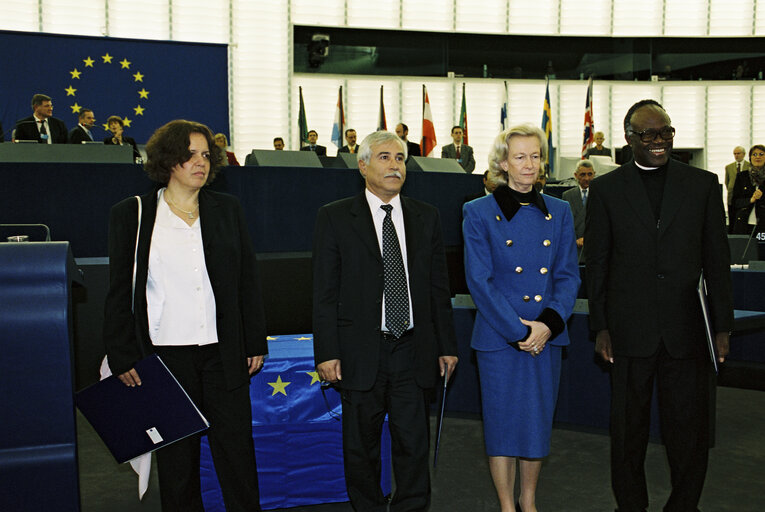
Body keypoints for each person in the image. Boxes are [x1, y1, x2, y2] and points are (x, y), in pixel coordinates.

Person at [103, 120, 266, 512]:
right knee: (177, 464)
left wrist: (254, 342)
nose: (201, 162)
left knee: (237, 455)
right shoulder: (134, 214)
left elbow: (247, 280)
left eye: (207, 154)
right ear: (168, 159)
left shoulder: (227, 209)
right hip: (166, 358)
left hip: (222, 353)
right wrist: (122, 353)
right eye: (191, 154)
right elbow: (119, 291)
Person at [585, 99, 733, 512]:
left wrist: (721, 328)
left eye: (665, 131)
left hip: (687, 332)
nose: (659, 141)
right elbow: (597, 263)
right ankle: (630, 505)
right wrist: (600, 326)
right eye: (648, 133)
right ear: (630, 139)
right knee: (627, 431)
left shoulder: (702, 185)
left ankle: (685, 505)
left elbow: (717, 261)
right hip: (628, 333)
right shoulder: (606, 189)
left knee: (689, 431)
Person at [312, 130, 458, 512]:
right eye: (384, 157)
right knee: (360, 448)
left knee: (413, 443)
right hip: (360, 351)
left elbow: (438, 290)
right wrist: (326, 352)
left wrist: (446, 346)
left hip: (413, 349)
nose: (395, 165)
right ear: (362, 165)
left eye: (400, 158)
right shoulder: (334, 216)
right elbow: (324, 293)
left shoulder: (426, 216)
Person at [462, 124, 580, 512]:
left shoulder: (560, 211)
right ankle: (506, 506)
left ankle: (528, 502)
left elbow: (567, 276)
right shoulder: (478, 211)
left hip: (545, 335)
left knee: (536, 424)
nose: (529, 165)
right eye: (519, 157)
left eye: (534, 156)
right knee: (501, 425)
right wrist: (518, 331)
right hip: (500, 337)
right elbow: (479, 281)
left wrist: (546, 325)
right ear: (502, 163)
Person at [561, 159, 595, 261]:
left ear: (594, 174)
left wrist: (588, 239)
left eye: (590, 174)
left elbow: (602, 222)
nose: (587, 178)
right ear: (576, 175)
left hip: (594, 246)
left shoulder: (600, 194)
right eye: (583, 175)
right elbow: (564, 223)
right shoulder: (568, 195)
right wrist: (575, 239)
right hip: (574, 247)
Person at [730, 144, 765, 235]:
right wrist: (750, 200)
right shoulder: (742, 176)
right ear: (750, 157)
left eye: (761, 154)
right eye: (754, 154)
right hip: (745, 223)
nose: (758, 157)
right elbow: (735, 202)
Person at [725, 145, 751, 231]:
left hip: (744, 196)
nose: (736, 155)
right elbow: (727, 181)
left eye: (738, 153)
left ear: (743, 154)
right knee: (732, 216)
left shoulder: (749, 166)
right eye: (735, 154)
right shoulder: (729, 167)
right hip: (732, 196)